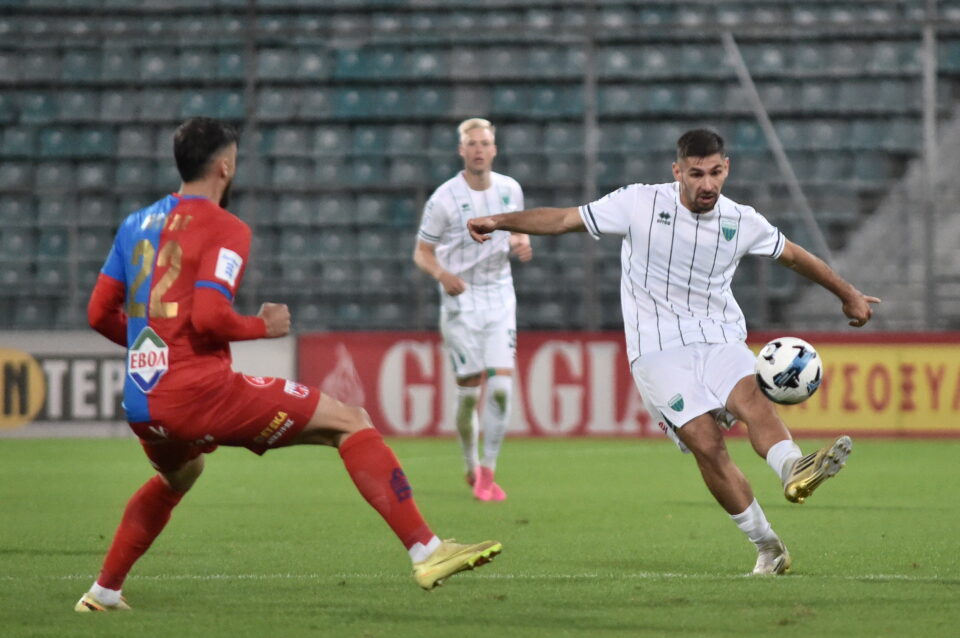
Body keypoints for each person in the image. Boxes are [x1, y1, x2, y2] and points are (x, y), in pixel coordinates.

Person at [75, 117, 501, 612]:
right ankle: (427, 551)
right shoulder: (226, 227)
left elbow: (98, 313)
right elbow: (209, 317)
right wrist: (263, 325)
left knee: (180, 475)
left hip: (143, 399)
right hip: (199, 393)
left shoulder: (135, 224)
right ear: (225, 166)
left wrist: (155, 349)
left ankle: (102, 592)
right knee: (350, 421)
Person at [467, 128, 880, 575]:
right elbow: (564, 219)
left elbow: (795, 256)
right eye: (697, 174)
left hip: (720, 338)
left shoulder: (741, 220)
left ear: (727, 169)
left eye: (716, 172)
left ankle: (794, 468)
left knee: (753, 401)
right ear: (677, 171)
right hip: (657, 351)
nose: (708, 184)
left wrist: (848, 294)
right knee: (706, 443)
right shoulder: (638, 203)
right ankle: (768, 545)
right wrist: (500, 221)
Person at [413, 118, 532, 501]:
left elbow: (517, 228)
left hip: (499, 296)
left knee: (501, 390)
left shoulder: (510, 189)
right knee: (468, 395)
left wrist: (520, 241)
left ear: (494, 150)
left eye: (484, 143)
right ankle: (470, 462)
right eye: (472, 144)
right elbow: (421, 252)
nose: (479, 150)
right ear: (461, 150)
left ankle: (487, 471)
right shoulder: (443, 199)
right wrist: (441, 274)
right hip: (461, 299)